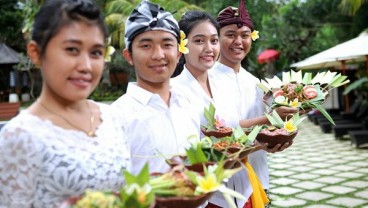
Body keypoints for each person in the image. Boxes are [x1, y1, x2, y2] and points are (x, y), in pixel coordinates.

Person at [0, 0, 131, 207]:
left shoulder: (112, 118)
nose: (86, 66)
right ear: (35, 52)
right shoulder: (20, 135)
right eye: (72, 49)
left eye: (96, 52)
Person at [209, 0, 299, 207]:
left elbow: (269, 128)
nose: (238, 41)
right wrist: (272, 118)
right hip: (221, 186)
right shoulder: (206, 80)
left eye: (244, 35)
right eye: (230, 34)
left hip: (257, 179)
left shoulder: (257, 83)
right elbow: (222, 131)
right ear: (216, 38)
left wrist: (282, 130)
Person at [171, 10, 256, 208]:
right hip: (208, 197)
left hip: (242, 190)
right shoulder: (174, 91)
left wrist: (266, 135)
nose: (209, 48)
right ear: (182, 45)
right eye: (199, 41)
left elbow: (235, 128)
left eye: (214, 40)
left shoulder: (223, 84)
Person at [111, 0, 200, 175]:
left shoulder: (189, 103)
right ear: (128, 56)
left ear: (178, 53)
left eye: (167, 44)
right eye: (146, 45)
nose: (158, 55)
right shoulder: (116, 118)